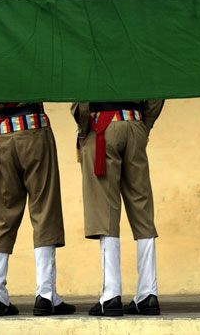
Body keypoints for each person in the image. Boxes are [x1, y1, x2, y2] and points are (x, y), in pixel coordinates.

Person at [0, 101, 75, 317]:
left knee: (2, 216)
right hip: (34, 128)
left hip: (1, 136)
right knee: (44, 211)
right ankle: (46, 296)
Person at [71, 100, 164, 316]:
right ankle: (148, 294)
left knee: (105, 212)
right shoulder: (141, 62)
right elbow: (157, 92)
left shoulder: (94, 62)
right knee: (142, 210)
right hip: (135, 123)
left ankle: (111, 295)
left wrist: (83, 128)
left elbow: (82, 95)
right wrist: (145, 124)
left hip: (102, 127)